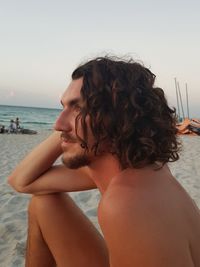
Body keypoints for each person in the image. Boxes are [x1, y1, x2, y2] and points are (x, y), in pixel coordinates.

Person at [8, 56, 200, 267]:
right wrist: (70, 130)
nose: (57, 124)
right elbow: (21, 181)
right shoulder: (142, 168)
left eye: (78, 108)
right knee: (44, 204)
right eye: (63, 107)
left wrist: (74, 130)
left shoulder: (128, 203)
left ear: (116, 115)